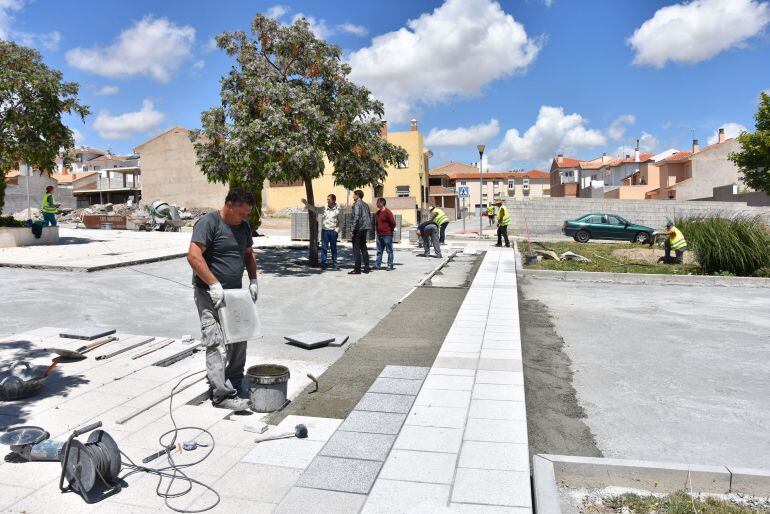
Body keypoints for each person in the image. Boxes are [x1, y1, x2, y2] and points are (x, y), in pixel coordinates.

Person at [187, 188, 259, 411]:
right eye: (242, 213)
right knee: (215, 342)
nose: (244, 218)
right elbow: (193, 256)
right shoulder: (209, 223)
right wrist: (213, 283)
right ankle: (221, 395)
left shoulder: (244, 227)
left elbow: (248, 254)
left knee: (239, 340)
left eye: (247, 214)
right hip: (209, 294)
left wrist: (254, 280)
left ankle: (235, 384)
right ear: (229, 205)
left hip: (235, 295)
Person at [302, 194, 342, 270]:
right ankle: (323, 264)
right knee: (324, 248)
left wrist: (336, 231)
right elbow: (315, 209)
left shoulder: (338, 210)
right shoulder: (324, 208)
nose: (327, 201)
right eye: (327, 199)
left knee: (333, 248)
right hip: (325, 232)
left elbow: (341, 222)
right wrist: (306, 204)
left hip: (333, 232)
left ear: (333, 200)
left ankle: (335, 264)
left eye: (329, 200)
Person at [349, 189, 372, 274]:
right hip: (365, 228)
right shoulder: (365, 204)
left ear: (358, 195)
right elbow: (369, 216)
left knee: (356, 249)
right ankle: (366, 267)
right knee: (363, 248)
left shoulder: (357, 204)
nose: (353, 196)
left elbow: (356, 217)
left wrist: (352, 229)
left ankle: (357, 269)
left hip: (358, 228)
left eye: (354, 195)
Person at [374, 197, 397, 270]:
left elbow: (393, 223)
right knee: (379, 251)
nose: (376, 204)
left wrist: (390, 231)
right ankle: (377, 265)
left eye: (377, 202)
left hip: (387, 235)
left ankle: (390, 265)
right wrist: (377, 232)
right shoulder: (377, 213)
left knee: (389, 250)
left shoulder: (388, 212)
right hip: (379, 235)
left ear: (381, 203)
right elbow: (377, 224)